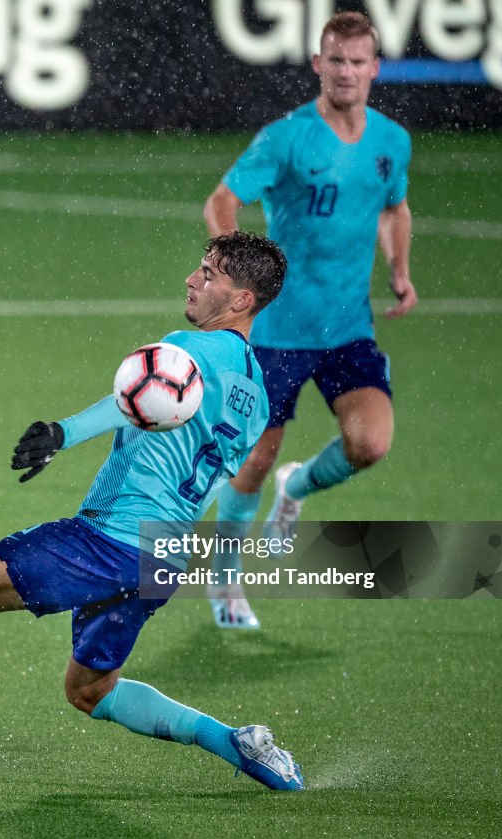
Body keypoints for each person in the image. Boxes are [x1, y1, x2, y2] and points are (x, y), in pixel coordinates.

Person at [0, 231, 304, 794]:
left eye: (209, 274)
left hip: (113, 539)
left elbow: (136, 397)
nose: (192, 280)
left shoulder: (188, 350)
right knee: (90, 690)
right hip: (165, 556)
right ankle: (233, 741)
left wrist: (62, 433)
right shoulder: (259, 397)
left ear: (243, 299)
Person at [202, 11, 416, 630]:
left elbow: (395, 208)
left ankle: (297, 491)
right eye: (336, 60)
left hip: (347, 328)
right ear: (317, 65)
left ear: (375, 68)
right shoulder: (286, 138)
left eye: (358, 61)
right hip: (275, 335)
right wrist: (235, 268)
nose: (347, 72)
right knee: (252, 462)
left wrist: (399, 269)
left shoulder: (391, 142)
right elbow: (222, 199)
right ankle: (225, 582)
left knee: (369, 443)